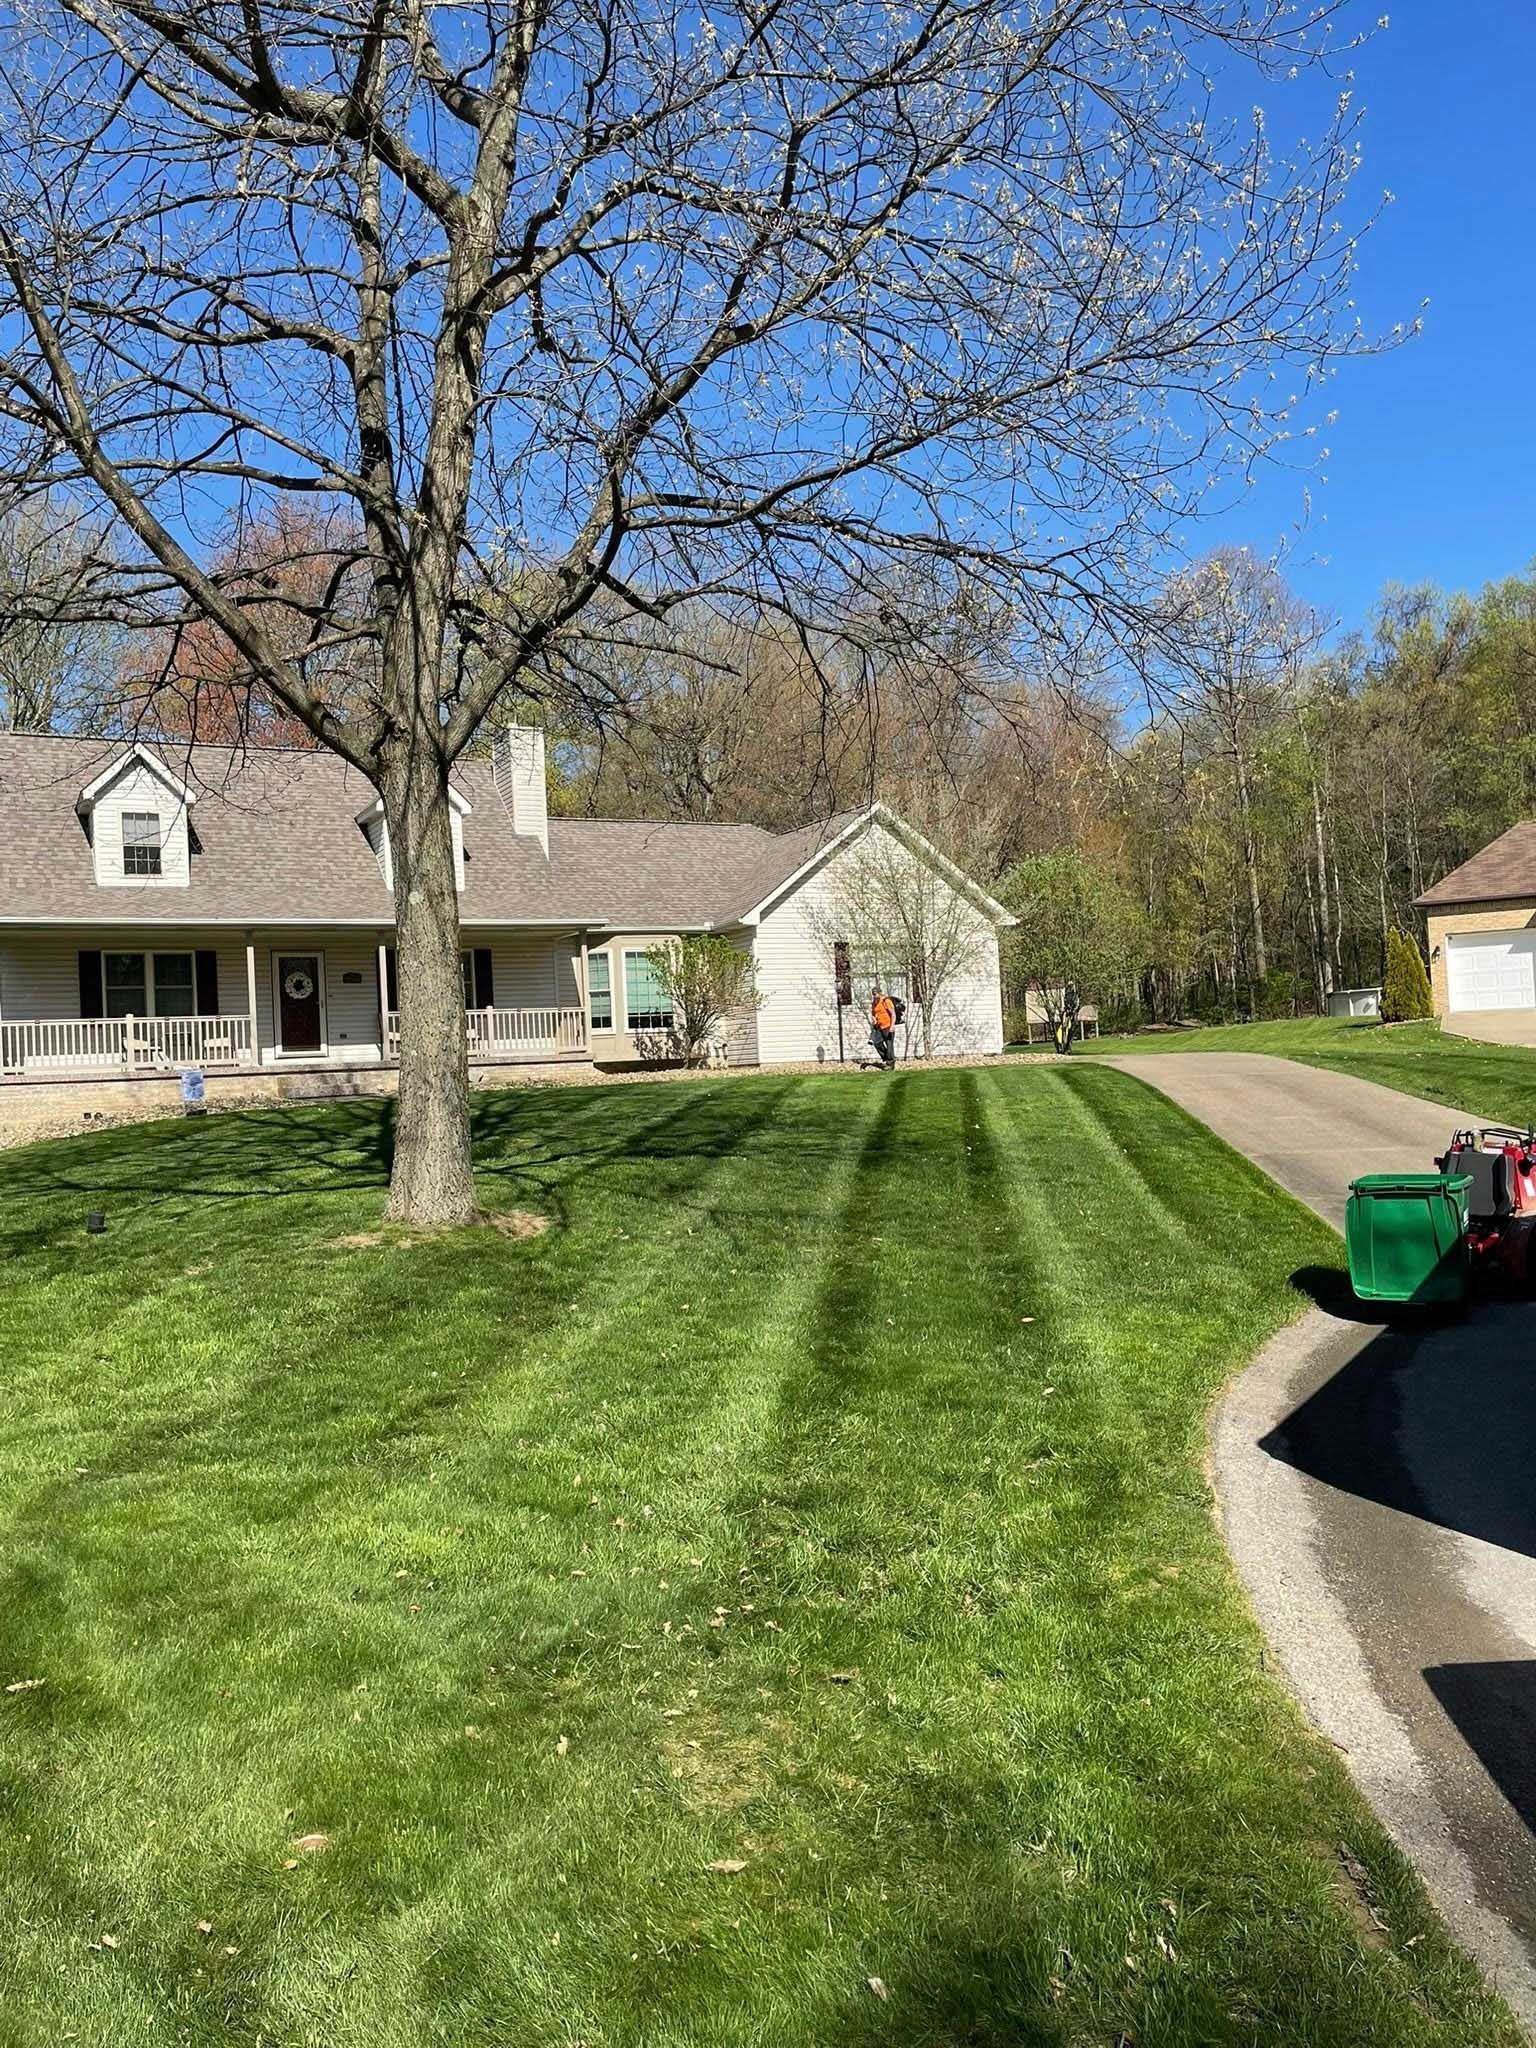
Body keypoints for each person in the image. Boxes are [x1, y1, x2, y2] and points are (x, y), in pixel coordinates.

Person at [870, 985, 897, 1069]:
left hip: (888, 1026)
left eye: (875, 994)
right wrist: (874, 1019)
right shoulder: (874, 1003)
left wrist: (892, 1026)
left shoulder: (886, 1001)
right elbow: (873, 1014)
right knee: (877, 1042)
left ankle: (890, 1064)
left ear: (880, 993)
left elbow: (893, 1014)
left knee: (889, 1045)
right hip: (879, 1026)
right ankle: (887, 1058)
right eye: (873, 994)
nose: (874, 996)